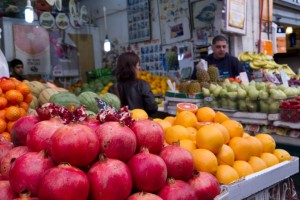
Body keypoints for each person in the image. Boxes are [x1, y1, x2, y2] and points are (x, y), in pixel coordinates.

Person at [108, 52, 158, 116]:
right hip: (140, 122)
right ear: (132, 67)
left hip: (121, 124)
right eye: (137, 65)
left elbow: (109, 111)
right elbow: (152, 107)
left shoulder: (112, 88)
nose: (139, 68)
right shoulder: (142, 85)